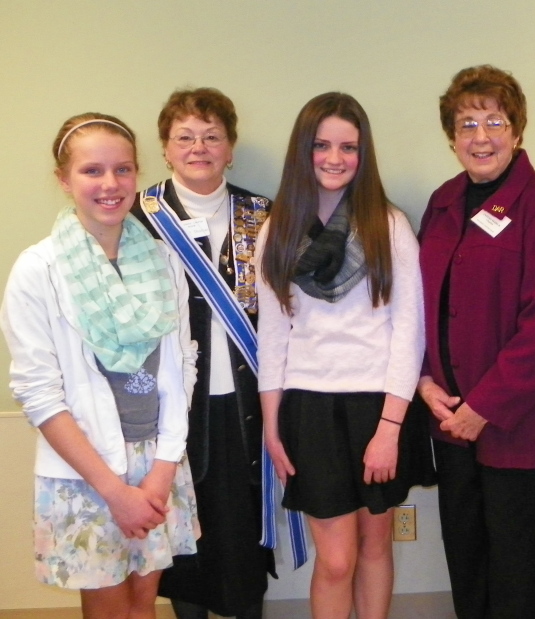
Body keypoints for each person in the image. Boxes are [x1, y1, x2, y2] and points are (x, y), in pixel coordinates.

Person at [0, 113, 199, 618]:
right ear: (64, 180)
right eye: (92, 171)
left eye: (123, 169)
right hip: (86, 472)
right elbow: (39, 393)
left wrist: (159, 474)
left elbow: (181, 368)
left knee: (144, 604)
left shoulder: (163, 260)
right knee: (109, 609)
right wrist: (115, 491)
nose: (110, 184)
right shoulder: (38, 270)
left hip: (158, 462)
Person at [418, 65, 535, 619]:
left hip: (524, 431)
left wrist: (484, 407)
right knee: (468, 567)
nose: (480, 136)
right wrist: (423, 380)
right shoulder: (441, 204)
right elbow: (420, 307)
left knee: (517, 580)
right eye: (467, 124)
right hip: (452, 428)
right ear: (451, 136)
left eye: (494, 121)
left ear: (517, 131)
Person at [257, 92, 424, 619]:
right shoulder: (277, 229)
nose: (335, 158)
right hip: (308, 410)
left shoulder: (388, 225)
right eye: (322, 145)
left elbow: (408, 331)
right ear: (302, 151)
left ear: (363, 153)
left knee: (376, 548)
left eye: (348, 147)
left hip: (377, 407)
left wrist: (390, 428)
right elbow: (273, 336)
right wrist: (272, 428)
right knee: (335, 561)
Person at [131, 88, 274, 619]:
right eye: (185, 137)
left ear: (231, 147)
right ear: (166, 149)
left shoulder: (261, 214)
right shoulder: (138, 216)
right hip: (166, 408)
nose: (199, 147)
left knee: (240, 537)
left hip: (244, 403)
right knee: (183, 536)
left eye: (212, 136)